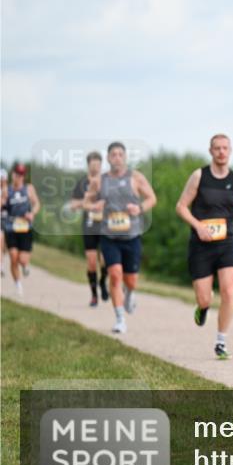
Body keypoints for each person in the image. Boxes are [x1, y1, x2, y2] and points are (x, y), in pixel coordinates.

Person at [175, 134, 233, 360]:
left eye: (225, 148)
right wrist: (198, 226)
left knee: (229, 290)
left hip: (227, 243)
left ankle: (221, 342)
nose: (221, 152)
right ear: (210, 151)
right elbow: (181, 207)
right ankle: (202, 307)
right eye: (217, 148)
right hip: (201, 245)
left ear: (230, 150)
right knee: (205, 298)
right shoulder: (199, 176)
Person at [85, 142, 157, 334]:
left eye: (120, 154)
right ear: (108, 158)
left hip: (132, 236)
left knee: (130, 280)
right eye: (113, 155)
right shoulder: (99, 181)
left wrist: (139, 208)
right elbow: (86, 201)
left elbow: (152, 198)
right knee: (115, 275)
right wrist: (94, 206)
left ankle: (130, 293)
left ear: (124, 158)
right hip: (109, 236)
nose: (116, 158)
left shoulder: (136, 177)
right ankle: (120, 320)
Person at [69, 151, 109, 306]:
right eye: (93, 165)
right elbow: (73, 205)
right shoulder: (82, 184)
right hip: (89, 226)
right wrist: (89, 204)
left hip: (106, 225)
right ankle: (94, 295)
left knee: (105, 260)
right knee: (92, 262)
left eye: (98, 165)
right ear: (88, 165)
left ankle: (103, 282)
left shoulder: (107, 181)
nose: (96, 168)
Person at [2, 162, 41, 296]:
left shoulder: (29, 189)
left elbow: (36, 204)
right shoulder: (7, 190)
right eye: (16, 174)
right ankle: (17, 284)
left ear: (24, 176)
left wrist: (32, 214)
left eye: (21, 174)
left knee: (22, 260)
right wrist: (3, 196)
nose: (18, 177)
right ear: (12, 174)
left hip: (25, 228)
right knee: (13, 256)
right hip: (11, 227)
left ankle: (24, 266)